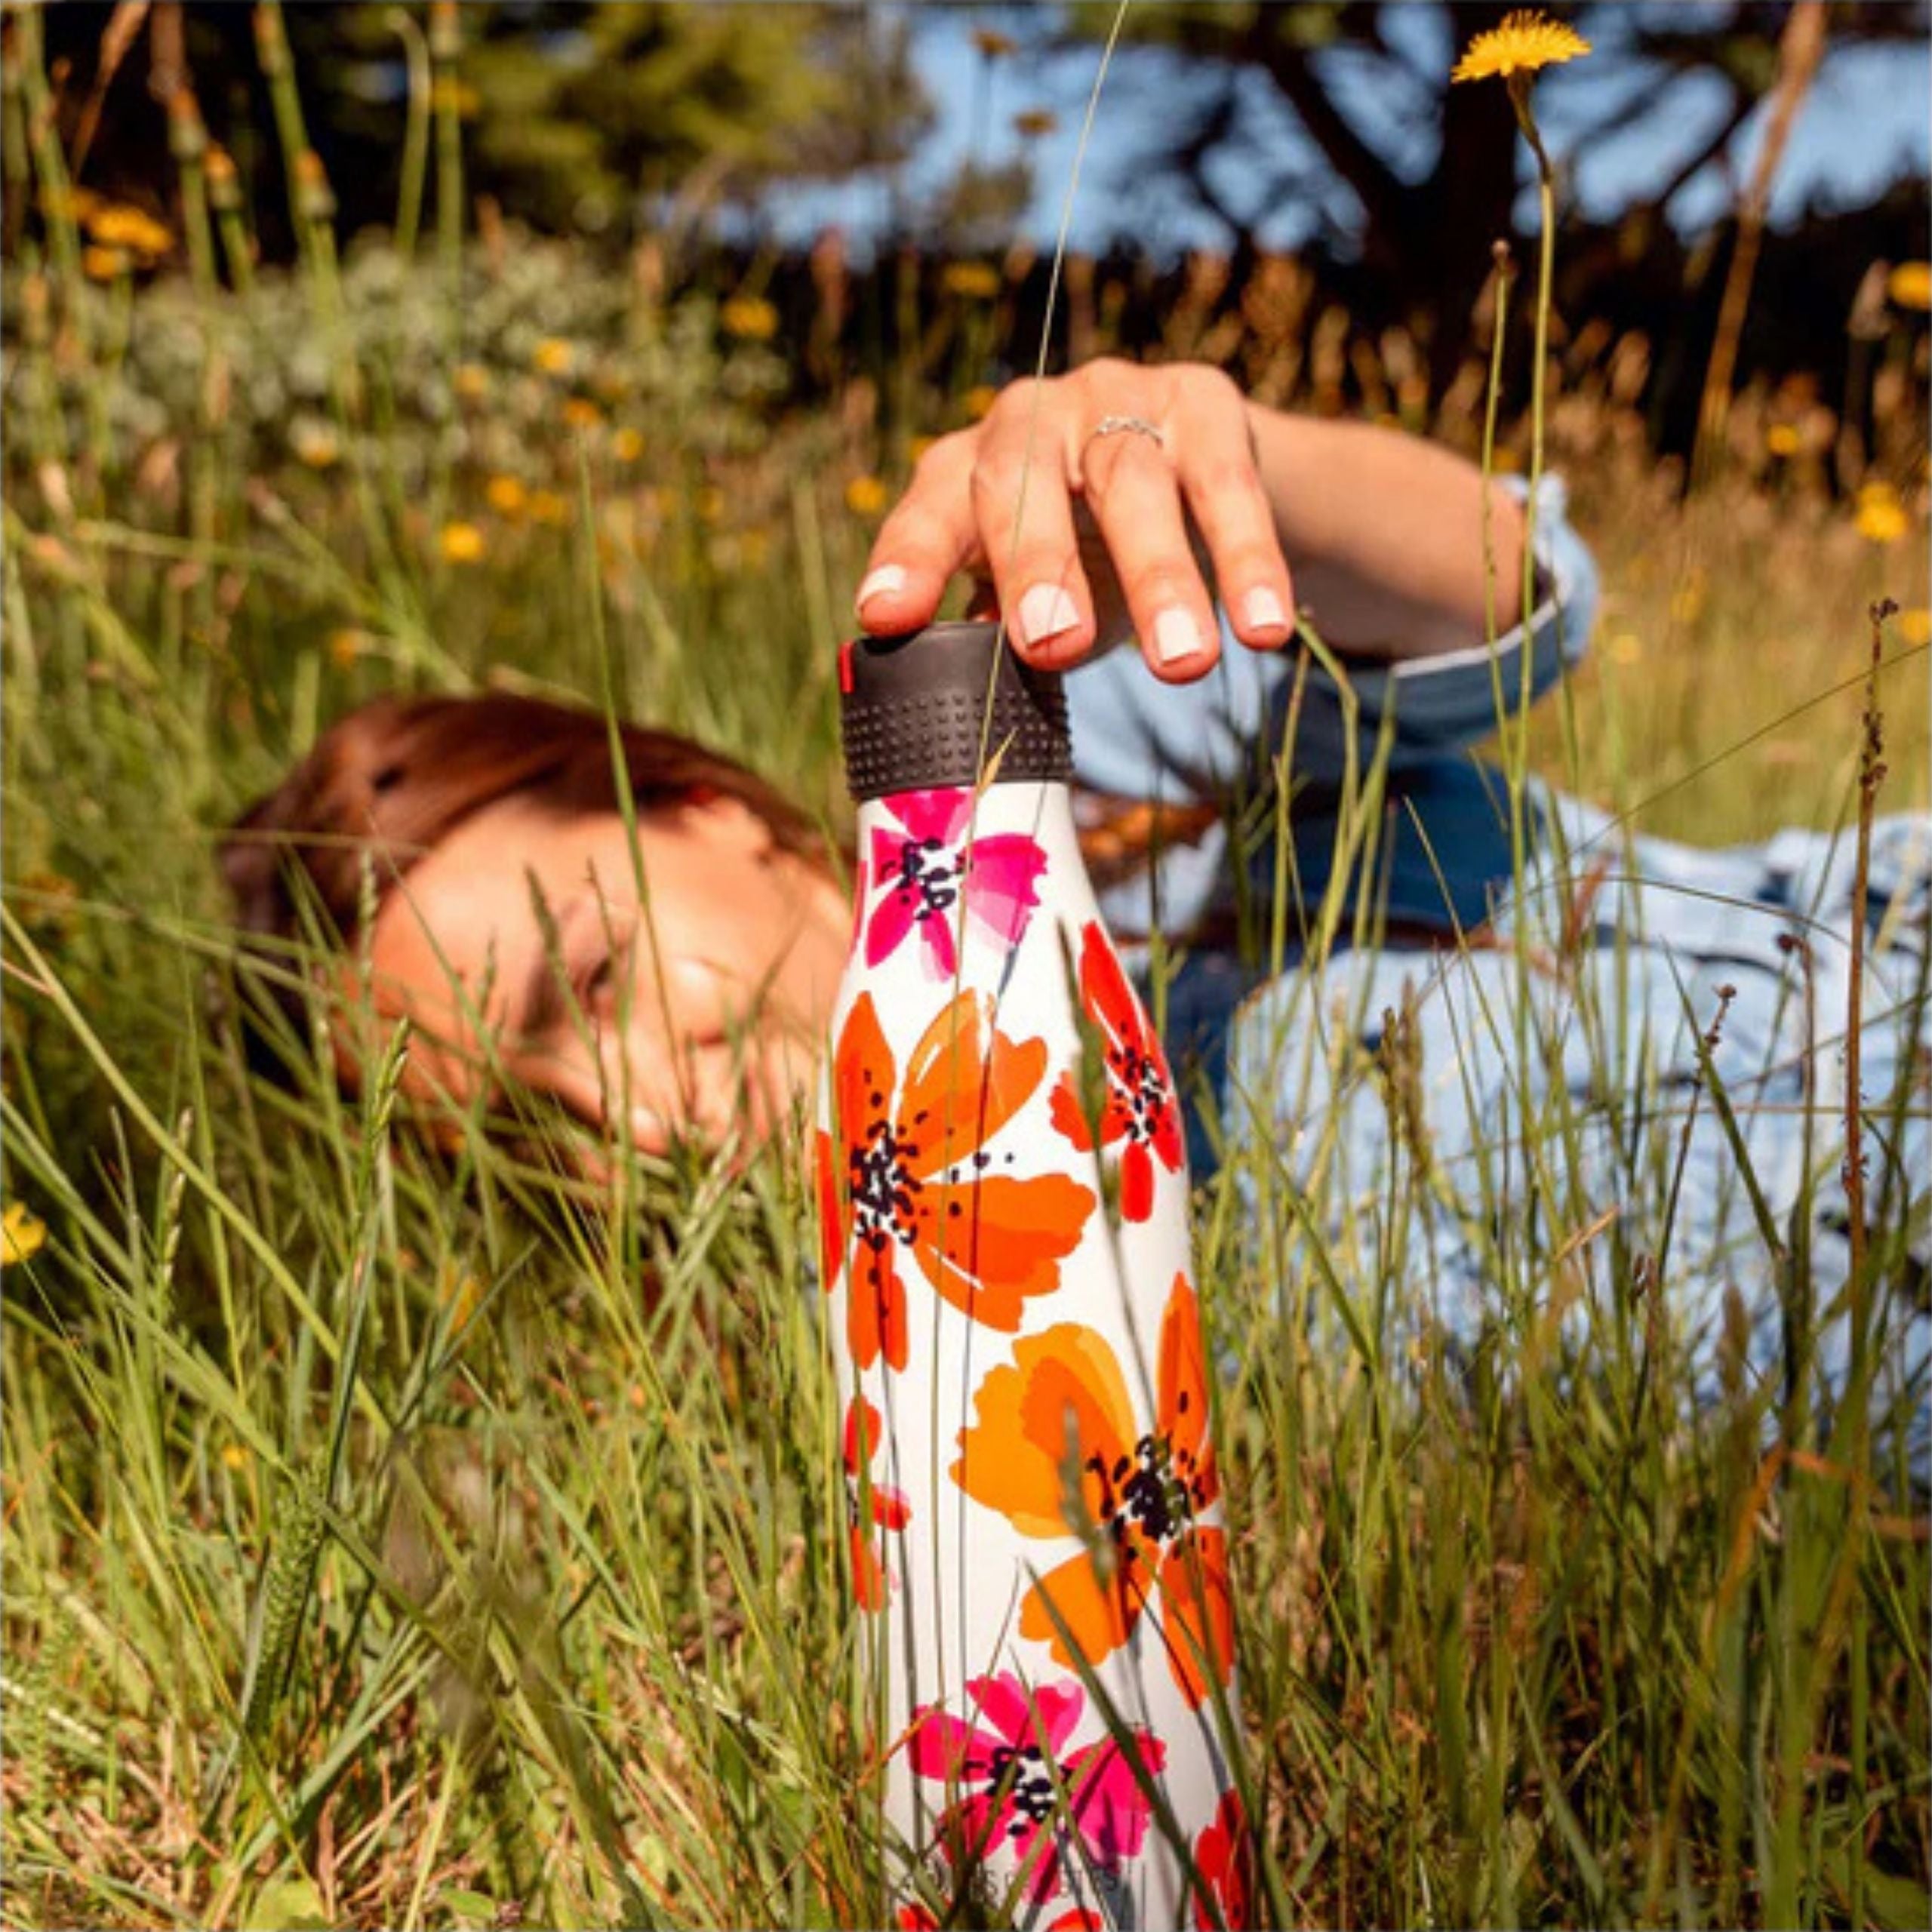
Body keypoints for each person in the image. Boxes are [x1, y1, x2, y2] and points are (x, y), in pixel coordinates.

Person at [224, 359, 1929, 1455]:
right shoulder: (893, 1411)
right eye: (531, 1135)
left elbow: (1501, 599)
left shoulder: (1057, 751)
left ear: (714, 813)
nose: (630, 1122)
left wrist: (1216, 470)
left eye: (586, 983)